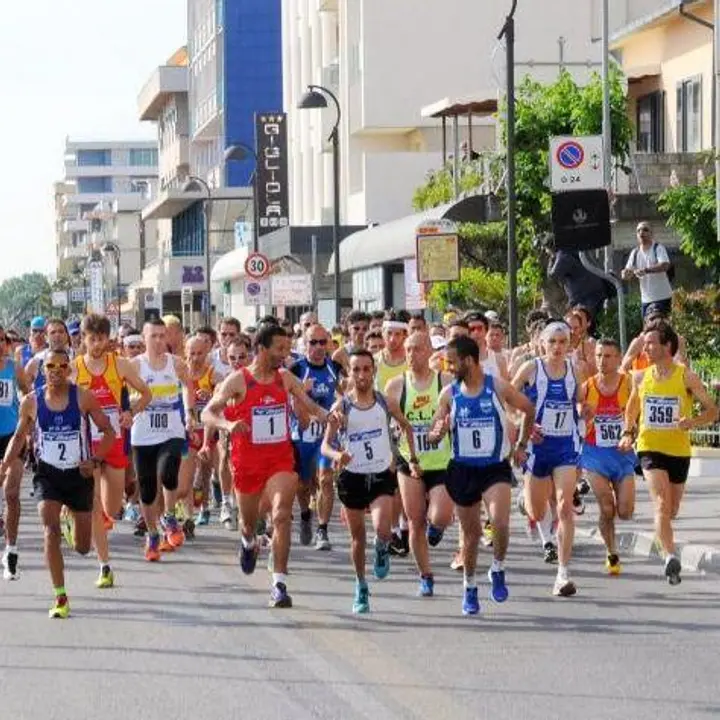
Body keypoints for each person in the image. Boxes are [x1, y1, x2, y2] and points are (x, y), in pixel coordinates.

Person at [201, 323, 328, 609]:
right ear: (261, 349)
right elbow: (207, 413)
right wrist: (228, 423)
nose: (285, 354)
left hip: (280, 459)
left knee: (282, 514)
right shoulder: (237, 381)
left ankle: (279, 585)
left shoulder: (284, 377)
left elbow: (308, 403)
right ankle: (248, 543)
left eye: (287, 348)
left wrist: (327, 415)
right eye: (279, 349)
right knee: (248, 523)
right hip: (247, 464)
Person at [0, 348, 115, 618]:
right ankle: (60, 596)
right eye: (50, 366)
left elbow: (108, 431)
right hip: (48, 475)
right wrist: (4, 464)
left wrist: (95, 460)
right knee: (49, 530)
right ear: (43, 371)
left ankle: (70, 522)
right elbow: (18, 438)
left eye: (62, 366)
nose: (56, 371)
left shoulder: (83, 397)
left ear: (69, 370)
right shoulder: (32, 401)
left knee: (83, 548)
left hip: (79, 476)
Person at [429, 336, 535, 615]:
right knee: (471, 534)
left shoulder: (497, 388)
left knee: (500, 521)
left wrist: (522, 445)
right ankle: (470, 586)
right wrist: (436, 431)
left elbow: (528, 409)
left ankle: (498, 568)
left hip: (493, 467)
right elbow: (438, 420)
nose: (448, 367)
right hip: (463, 469)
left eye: (452, 362)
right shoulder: (449, 394)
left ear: (469, 360)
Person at [321, 350, 421, 614]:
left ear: (374, 371)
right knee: (357, 538)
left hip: (380, 474)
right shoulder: (341, 407)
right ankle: (361, 585)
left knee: (382, 528)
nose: (362, 375)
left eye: (367, 369)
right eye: (356, 370)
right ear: (349, 373)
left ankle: (382, 547)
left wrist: (412, 459)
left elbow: (407, 427)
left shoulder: (385, 402)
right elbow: (325, 446)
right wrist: (337, 455)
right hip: (351, 476)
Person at [620, 320, 718, 585]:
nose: (646, 348)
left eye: (651, 343)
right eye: (644, 343)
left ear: (667, 346)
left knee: (672, 510)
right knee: (661, 504)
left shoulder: (685, 375)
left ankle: (663, 539)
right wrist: (628, 433)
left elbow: (713, 410)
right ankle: (670, 557)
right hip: (650, 448)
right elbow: (631, 410)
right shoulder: (641, 376)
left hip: (678, 451)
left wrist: (692, 423)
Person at [75, 314, 152, 588]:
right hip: (88, 447)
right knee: (94, 507)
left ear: (109, 339)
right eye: (91, 339)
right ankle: (104, 565)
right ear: (83, 339)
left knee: (111, 508)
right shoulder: (74, 369)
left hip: (115, 444)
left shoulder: (119, 365)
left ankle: (86, 520)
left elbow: (146, 394)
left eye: (101, 339)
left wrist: (130, 412)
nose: (96, 344)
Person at [512, 321, 582, 596]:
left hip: (564, 446)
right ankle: (526, 501)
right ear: (542, 344)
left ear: (569, 345)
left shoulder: (574, 371)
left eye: (562, 342)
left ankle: (562, 575)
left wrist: (582, 409)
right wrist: (523, 422)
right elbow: (508, 398)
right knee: (538, 512)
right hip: (537, 448)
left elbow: (575, 403)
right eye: (552, 342)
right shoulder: (531, 369)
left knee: (565, 507)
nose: (557, 347)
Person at [385, 332, 454, 597]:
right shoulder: (396, 386)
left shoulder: (445, 382)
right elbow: (386, 423)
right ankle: (425, 575)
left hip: (441, 461)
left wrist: (447, 425)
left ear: (429, 351)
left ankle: (436, 528)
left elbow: (457, 415)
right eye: (409, 350)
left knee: (440, 516)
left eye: (418, 349)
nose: (413, 355)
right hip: (409, 460)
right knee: (415, 521)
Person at [130, 319, 196, 561]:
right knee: (147, 491)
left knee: (169, 472)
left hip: (171, 430)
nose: (159, 341)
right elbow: (120, 392)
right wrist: (128, 410)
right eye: (153, 336)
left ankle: (169, 516)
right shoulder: (135, 366)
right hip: (143, 432)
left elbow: (189, 386)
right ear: (144, 338)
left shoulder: (176, 364)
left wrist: (189, 414)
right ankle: (152, 535)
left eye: (162, 336)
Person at [578, 339, 637, 574]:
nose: (603, 360)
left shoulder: (629, 384)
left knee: (625, 511)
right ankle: (612, 553)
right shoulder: (587, 387)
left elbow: (637, 415)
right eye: (599, 355)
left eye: (609, 356)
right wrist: (581, 413)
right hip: (594, 455)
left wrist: (630, 435)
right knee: (606, 506)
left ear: (618, 357)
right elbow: (574, 413)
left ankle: (612, 541)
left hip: (622, 455)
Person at [290, 323, 343, 550]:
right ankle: (304, 515)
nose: (319, 347)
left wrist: (339, 405)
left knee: (325, 479)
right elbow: (291, 403)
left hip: (327, 434)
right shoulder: (296, 369)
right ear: (305, 343)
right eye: (313, 342)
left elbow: (344, 392)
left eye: (323, 342)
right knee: (302, 484)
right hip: (302, 434)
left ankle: (323, 530)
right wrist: (302, 390)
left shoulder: (335, 367)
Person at [0, 326, 29, 581]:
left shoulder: (15, 367)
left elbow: (27, 394)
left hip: (12, 436)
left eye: (2, 340)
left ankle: (11, 549)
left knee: (11, 494)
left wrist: (27, 425)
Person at [621, 222, 674, 319]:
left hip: (662, 298)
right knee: (648, 330)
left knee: (661, 330)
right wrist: (625, 274)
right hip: (645, 300)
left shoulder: (658, 248)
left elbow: (665, 265)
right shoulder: (635, 253)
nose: (641, 233)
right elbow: (628, 272)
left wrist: (646, 270)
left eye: (645, 230)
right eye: (638, 231)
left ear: (651, 234)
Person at [548, 249, 609, 323]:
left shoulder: (563, 253)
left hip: (584, 297)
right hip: (594, 292)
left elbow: (554, 275)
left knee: (584, 324)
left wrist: (551, 259)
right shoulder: (575, 249)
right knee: (592, 322)